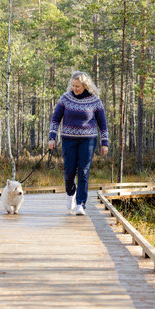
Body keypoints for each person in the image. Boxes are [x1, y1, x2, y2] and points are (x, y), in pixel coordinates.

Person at [48, 71, 109, 216]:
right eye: (73, 85)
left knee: (83, 171)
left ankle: (81, 204)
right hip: (68, 140)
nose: (75, 89)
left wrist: (104, 142)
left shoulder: (95, 101)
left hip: (88, 140)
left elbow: (103, 124)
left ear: (85, 86)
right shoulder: (65, 98)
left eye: (78, 86)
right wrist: (52, 137)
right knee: (69, 171)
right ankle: (70, 193)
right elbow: (56, 119)